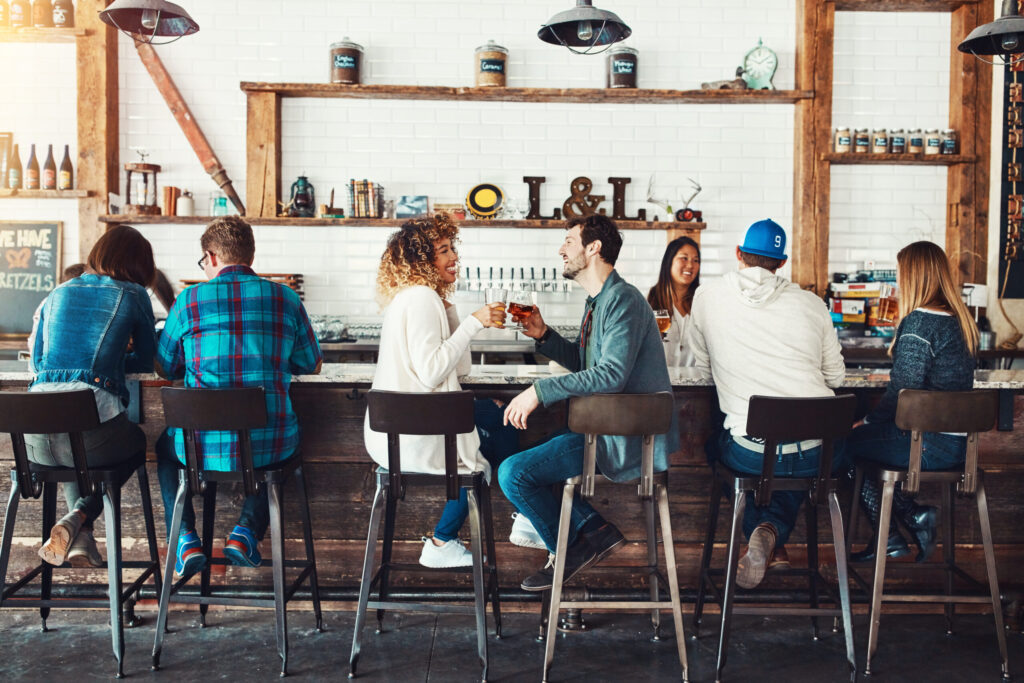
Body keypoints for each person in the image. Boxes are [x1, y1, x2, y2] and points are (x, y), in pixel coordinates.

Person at [498, 214, 679, 591]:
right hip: (604, 430)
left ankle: (570, 549)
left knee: (513, 473)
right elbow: (589, 366)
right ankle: (594, 531)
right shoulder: (600, 301)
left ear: (593, 247)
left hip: (624, 439)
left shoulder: (623, 300)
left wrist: (539, 391)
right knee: (526, 460)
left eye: (568, 241)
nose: (560, 249)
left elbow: (611, 375)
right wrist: (544, 336)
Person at [155, 216, 323, 578]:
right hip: (270, 445)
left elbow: (164, 367)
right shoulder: (286, 298)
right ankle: (245, 532)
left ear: (212, 257)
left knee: (165, 449)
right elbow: (311, 364)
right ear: (251, 255)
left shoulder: (187, 301)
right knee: (277, 444)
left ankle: (185, 538)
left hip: (199, 450)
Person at [688, 219, 846, 589]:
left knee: (720, 450)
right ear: (782, 263)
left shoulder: (707, 297)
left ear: (739, 254)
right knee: (806, 463)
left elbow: (704, 371)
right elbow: (836, 378)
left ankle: (765, 531)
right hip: (816, 454)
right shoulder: (812, 304)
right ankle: (771, 535)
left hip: (751, 452)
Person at [365, 213, 522, 568]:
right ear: (423, 260)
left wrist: (453, 317)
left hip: (398, 434)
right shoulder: (420, 298)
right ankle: (513, 516)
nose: (454, 257)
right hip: (416, 437)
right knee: (504, 419)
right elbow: (432, 371)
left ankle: (445, 539)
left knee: (493, 417)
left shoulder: (420, 297)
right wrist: (474, 323)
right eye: (444, 250)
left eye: (453, 248)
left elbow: (460, 369)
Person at [25, 228, 156, 567]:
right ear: (140, 265)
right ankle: (80, 514)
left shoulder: (57, 292)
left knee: (76, 454)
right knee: (136, 443)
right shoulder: (133, 293)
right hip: (90, 436)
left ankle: (81, 535)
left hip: (33, 441)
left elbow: (38, 363)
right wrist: (116, 359)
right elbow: (148, 360)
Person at [846, 241, 978, 563]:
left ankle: (897, 530)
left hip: (925, 445)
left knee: (839, 446)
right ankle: (908, 520)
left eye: (900, 274)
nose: (898, 282)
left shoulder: (919, 323)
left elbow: (901, 395)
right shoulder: (960, 321)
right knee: (856, 444)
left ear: (912, 277)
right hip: (959, 448)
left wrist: (866, 422)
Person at [647, 235, 701, 368]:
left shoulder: (702, 302)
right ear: (669, 261)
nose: (690, 265)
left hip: (696, 379)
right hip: (660, 379)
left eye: (696, 260)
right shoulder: (651, 300)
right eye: (684, 258)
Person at [27, 263, 86, 370]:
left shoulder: (49, 300)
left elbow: (34, 342)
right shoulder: (83, 303)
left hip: (44, 367)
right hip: (65, 368)